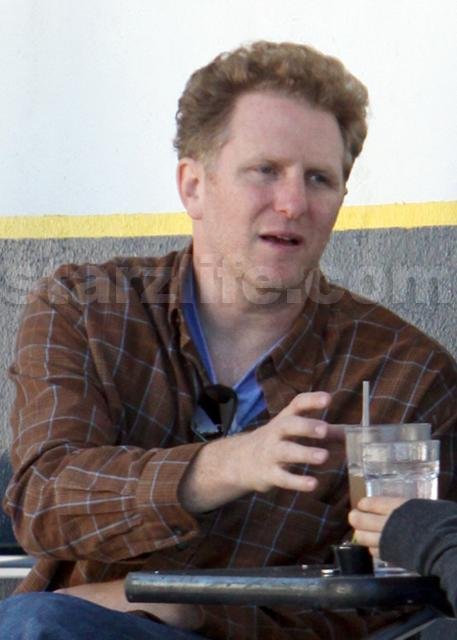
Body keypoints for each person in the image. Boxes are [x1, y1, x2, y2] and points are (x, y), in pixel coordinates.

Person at [1, 40, 456, 640]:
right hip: (78, 629)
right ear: (193, 186)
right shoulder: (86, 309)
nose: (293, 203)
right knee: (39, 625)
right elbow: (44, 500)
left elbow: (400, 605)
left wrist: (183, 606)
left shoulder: (408, 372)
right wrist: (226, 465)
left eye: (319, 178)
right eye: (265, 170)